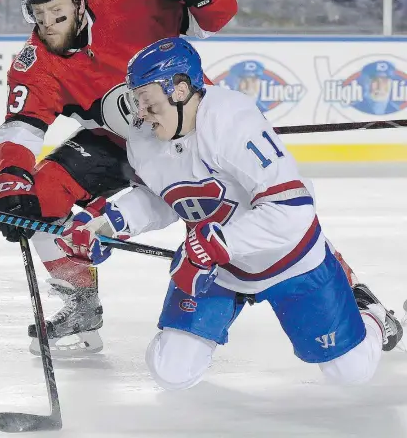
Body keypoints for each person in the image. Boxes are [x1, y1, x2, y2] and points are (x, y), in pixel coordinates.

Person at [56, 37, 404, 388]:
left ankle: (368, 311)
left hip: (289, 261)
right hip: (216, 267)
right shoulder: (145, 135)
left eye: (146, 100)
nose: (140, 113)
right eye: (136, 100)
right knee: (170, 370)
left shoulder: (232, 120)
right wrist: (113, 222)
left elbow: (292, 210)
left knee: (351, 372)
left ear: (179, 90)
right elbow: (163, 197)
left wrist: (216, 244)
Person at [0, 0, 238, 355]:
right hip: (114, 144)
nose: (48, 25)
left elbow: (212, 21)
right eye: (38, 15)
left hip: (186, 133)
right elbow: (20, 128)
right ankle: (81, 308)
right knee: (40, 195)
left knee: (246, 216)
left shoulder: (127, 5)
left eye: (57, 12)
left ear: (78, 1)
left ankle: (345, 289)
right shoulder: (35, 63)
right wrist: (12, 185)